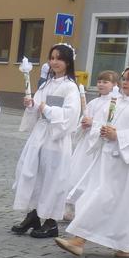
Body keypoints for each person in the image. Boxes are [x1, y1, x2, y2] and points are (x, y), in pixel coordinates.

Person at [54, 66, 129, 258]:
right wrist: (99, 129)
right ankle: (125, 245)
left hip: (126, 164)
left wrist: (118, 136)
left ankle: (79, 240)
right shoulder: (117, 102)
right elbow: (103, 123)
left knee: (105, 199)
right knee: (101, 199)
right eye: (124, 78)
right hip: (107, 160)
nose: (125, 82)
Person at [10, 45, 81, 239]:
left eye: (59, 58)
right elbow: (37, 106)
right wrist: (31, 105)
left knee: (52, 179)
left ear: (67, 62)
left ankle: (50, 222)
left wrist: (47, 109)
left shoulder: (70, 87)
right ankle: (32, 214)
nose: (54, 62)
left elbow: (71, 115)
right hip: (40, 136)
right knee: (33, 174)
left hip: (56, 140)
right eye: (52, 58)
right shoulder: (47, 84)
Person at [65, 70, 118, 217]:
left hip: (98, 144)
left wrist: (93, 123)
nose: (101, 84)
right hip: (86, 144)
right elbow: (85, 117)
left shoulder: (115, 103)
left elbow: (111, 123)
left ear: (114, 85)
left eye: (105, 82)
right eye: (99, 81)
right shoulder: (93, 102)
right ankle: (71, 207)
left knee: (90, 177)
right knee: (76, 173)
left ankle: (86, 208)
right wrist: (83, 123)